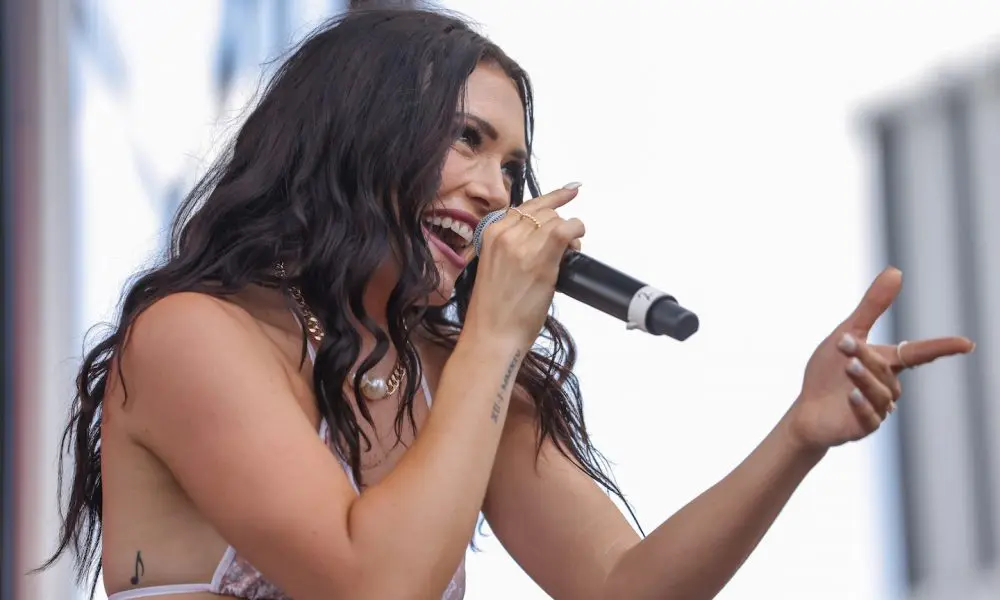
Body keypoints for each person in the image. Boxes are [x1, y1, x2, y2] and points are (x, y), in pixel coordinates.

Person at [41, 7, 974, 600]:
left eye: (513, 165)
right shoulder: (195, 336)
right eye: (465, 141)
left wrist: (797, 436)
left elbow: (620, 587)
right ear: (357, 140)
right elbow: (371, 584)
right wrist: (494, 333)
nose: (497, 191)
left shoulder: (452, 370)